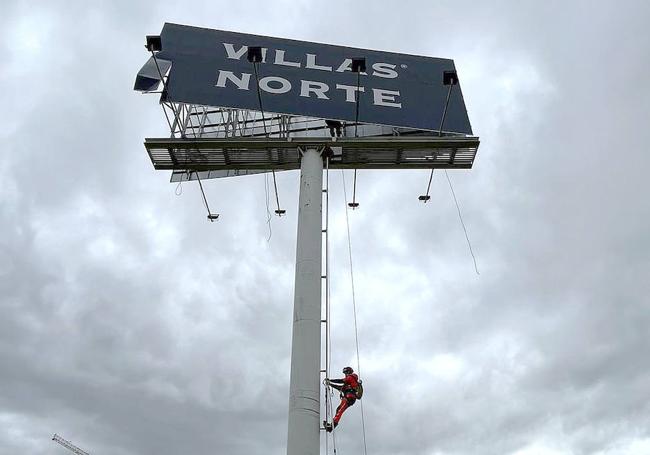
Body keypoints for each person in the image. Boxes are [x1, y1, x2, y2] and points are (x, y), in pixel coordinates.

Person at [324, 366, 361, 432]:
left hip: (349, 397)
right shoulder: (348, 384)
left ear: (349, 372)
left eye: (346, 372)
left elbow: (341, 381)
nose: (345, 374)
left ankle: (331, 427)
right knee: (338, 410)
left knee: (339, 411)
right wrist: (330, 384)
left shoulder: (351, 378)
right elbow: (339, 387)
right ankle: (331, 425)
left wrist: (330, 380)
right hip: (347, 398)